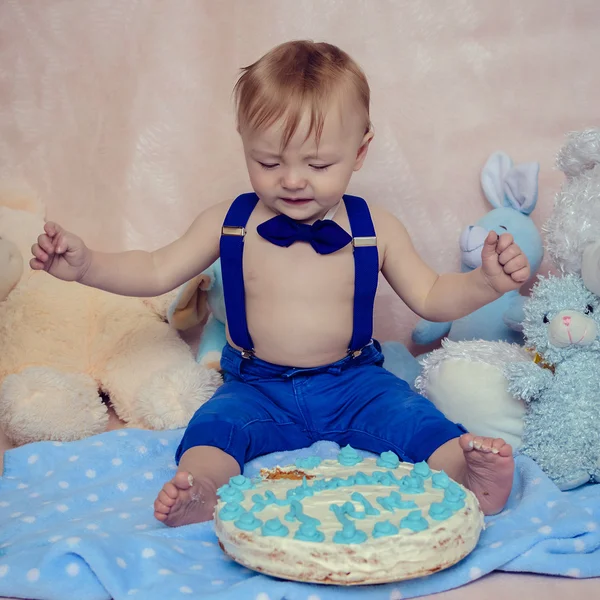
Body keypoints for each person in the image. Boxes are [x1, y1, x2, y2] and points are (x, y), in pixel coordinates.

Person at [31, 40, 527, 527]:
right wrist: (88, 265)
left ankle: (467, 475)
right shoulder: (230, 221)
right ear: (244, 142)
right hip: (257, 386)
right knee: (211, 431)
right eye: (268, 162)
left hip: (354, 382)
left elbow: (432, 296)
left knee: (416, 418)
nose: (292, 180)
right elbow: (157, 268)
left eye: (317, 164)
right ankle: (201, 491)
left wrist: (486, 281)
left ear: (360, 151)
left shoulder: (374, 227)